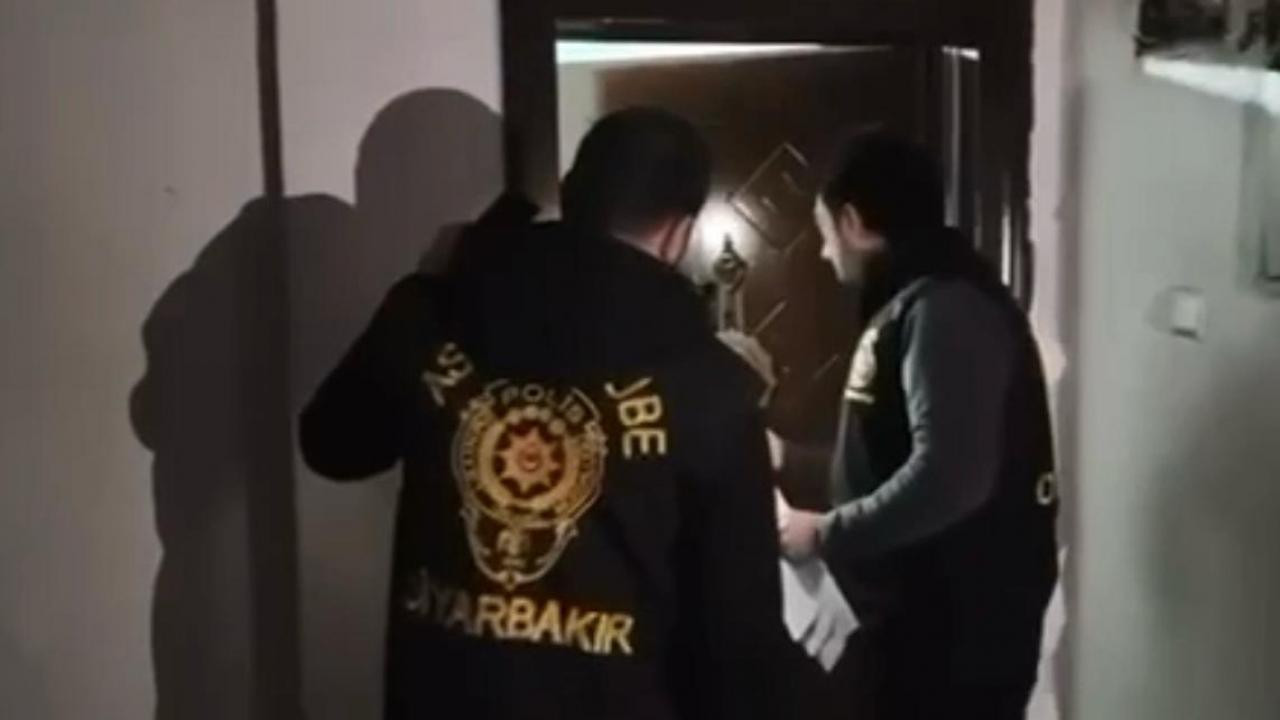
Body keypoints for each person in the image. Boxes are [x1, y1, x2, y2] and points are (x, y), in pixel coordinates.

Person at [300, 108, 784, 720]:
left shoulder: (433, 314)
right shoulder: (712, 384)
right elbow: (740, 640)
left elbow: (332, 445)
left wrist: (429, 287)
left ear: (569, 196)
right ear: (677, 235)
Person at [776, 131, 1059, 718]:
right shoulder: (921, 303)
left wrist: (824, 533)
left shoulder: (946, 309)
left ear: (852, 222)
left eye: (825, 233)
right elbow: (891, 458)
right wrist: (788, 458)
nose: (825, 254)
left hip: (954, 643)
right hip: (927, 631)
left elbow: (950, 478)